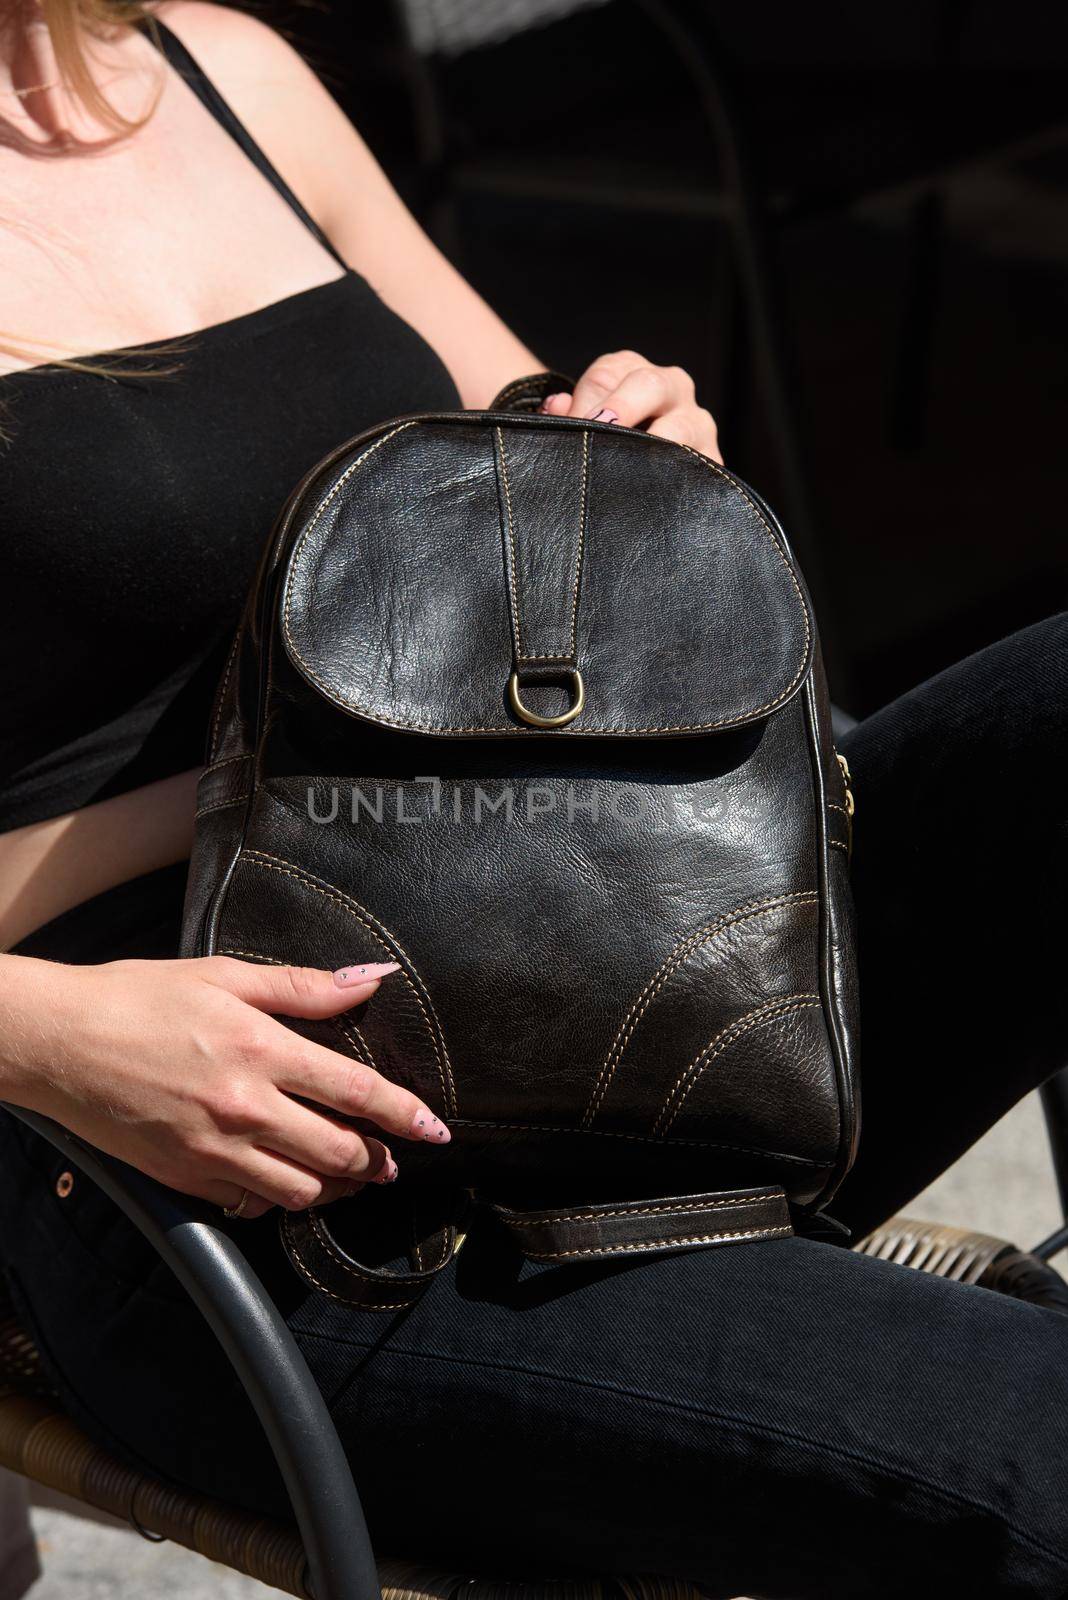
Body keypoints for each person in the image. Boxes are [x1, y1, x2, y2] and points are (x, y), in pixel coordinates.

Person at [0, 4, 1065, 1595]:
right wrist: (56, 1038)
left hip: (644, 938)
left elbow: (518, 435)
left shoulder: (212, 68)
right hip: (240, 1145)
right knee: (1034, 1448)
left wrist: (636, 452)